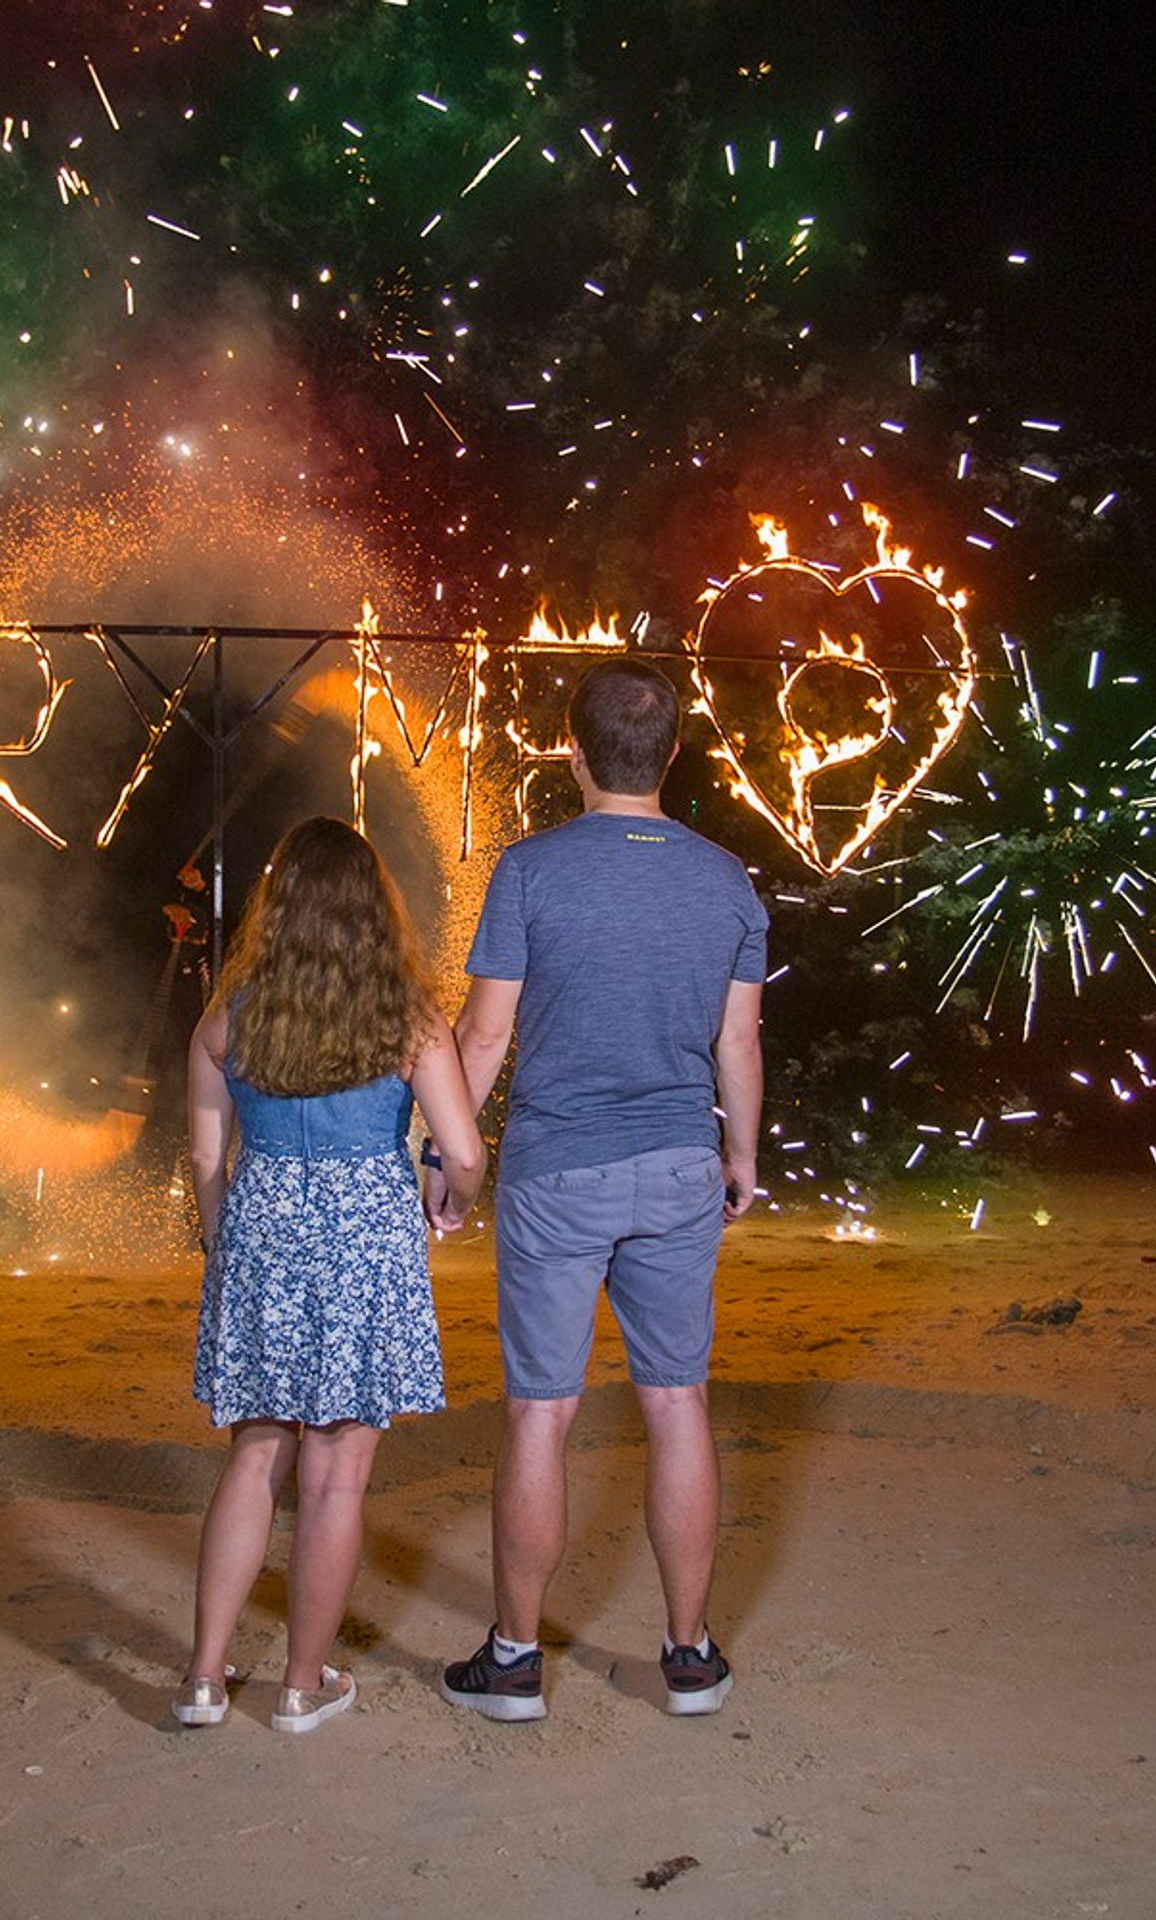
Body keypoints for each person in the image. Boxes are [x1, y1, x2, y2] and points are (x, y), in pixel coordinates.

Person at [430, 655, 766, 1721]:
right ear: (672, 753)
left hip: (557, 1170)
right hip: (676, 1167)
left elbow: (482, 1037)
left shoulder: (530, 871)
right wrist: (741, 1154)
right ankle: (690, 1657)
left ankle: (517, 1661)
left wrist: (442, 1158)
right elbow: (740, 1043)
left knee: (542, 1413)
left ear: (571, 752)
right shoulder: (727, 880)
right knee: (677, 1403)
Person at [176, 816, 486, 1734]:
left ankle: (201, 1680)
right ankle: (303, 1687)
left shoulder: (227, 1021)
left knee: (255, 1454)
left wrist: (225, 1251)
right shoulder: (408, 1016)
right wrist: (452, 1196)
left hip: (263, 1233)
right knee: (337, 1478)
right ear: (371, 912)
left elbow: (203, 1162)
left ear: (278, 911)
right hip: (365, 1246)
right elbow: (463, 1151)